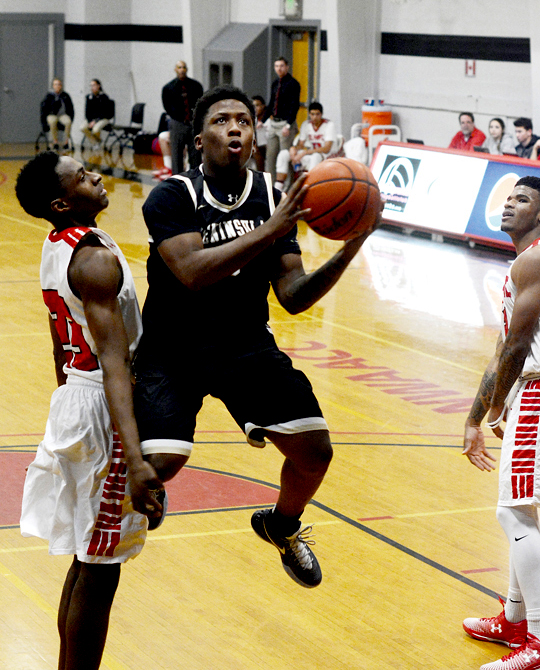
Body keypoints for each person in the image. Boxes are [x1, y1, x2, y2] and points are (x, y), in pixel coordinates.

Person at [133, 85, 379, 590]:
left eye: (244, 120)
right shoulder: (172, 195)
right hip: (172, 348)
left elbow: (292, 294)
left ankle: (281, 525)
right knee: (162, 463)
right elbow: (193, 272)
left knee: (315, 452)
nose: (235, 128)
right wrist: (270, 230)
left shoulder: (272, 194)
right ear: (200, 139)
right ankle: (123, 499)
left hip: (243, 345)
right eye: (222, 121)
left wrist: (351, 247)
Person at [14, 152, 164, 670]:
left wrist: (67, 402)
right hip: (103, 406)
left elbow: (61, 343)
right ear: (61, 202)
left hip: (76, 399)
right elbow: (116, 361)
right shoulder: (94, 258)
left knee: (86, 558)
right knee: (101, 571)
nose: (96, 175)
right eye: (82, 176)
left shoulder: (58, 245)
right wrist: (136, 457)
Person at [462, 176, 540, 669]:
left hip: (537, 392)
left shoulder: (534, 259)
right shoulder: (521, 262)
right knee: (519, 513)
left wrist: (496, 410)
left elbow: (515, 348)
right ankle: (514, 619)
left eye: (524, 200)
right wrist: (475, 417)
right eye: (509, 197)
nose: (511, 204)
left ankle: (536, 640)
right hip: (526, 390)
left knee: (516, 514)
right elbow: (502, 348)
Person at [274, 101, 338, 191]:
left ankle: (309, 187)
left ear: (321, 114)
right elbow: (301, 145)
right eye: (312, 114)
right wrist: (293, 149)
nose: (315, 117)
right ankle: (278, 189)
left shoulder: (329, 125)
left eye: (317, 114)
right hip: (310, 154)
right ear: (309, 114)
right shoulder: (306, 124)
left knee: (315, 157)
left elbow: (326, 149)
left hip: (326, 156)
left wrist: (304, 153)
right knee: (283, 154)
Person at [262, 57, 301, 183]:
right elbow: (271, 103)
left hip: (285, 123)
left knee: (285, 156)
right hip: (274, 123)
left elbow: (294, 106)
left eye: (282, 66)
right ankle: (271, 185)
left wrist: (289, 125)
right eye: (277, 66)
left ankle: (288, 187)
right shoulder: (275, 83)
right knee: (271, 156)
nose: (279, 68)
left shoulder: (293, 84)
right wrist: (262, 120)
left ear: (287, 67)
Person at [161, 60, 203, 174]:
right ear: (175, 69)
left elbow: (201, 103)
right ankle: (178, 181)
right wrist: (177, 117)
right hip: (177, 123)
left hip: (193, 123)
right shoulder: (168, 88)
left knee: (195, 155)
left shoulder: (196, 86)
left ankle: (196, 179)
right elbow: (167, 106)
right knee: (177, 155)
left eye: (184, 67)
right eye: (179, 67)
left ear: (187, 69)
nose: (182, 70)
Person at [40, 78, 74, 151]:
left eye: (59, 84)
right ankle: (55, 142)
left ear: (61, 86)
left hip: (62, 115)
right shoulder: (49, 96)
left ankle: (66, 142)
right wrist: (44, 123)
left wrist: (71, 117)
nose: (57, 86)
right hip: (52, 114)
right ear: (53, 86)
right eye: (55, 84)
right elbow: (44, 109)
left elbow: (71, 108)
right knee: (52, 122)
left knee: (68, 122)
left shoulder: (65, 95)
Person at [80, 79, 114, 148]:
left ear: (98, 86)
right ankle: (96, 142)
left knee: (95, 130)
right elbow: (87, 112)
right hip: (92, 119)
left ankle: (96, 143)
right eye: (91, 85)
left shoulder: (104, 97)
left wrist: (95, 121)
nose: (92, 87)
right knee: (82, 128)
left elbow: (105, 112)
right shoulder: (89, 97)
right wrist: (90, 121)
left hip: (103, 118)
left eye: (94, 85)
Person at [251, 95, 267, 171]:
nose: (255, 109)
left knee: (255, 151)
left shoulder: (268, 119)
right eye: (253, 106)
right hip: (256, 146)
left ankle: (261, 175)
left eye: (257, 105)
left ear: (263, 106)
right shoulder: (251, 119)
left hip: (266, 146)